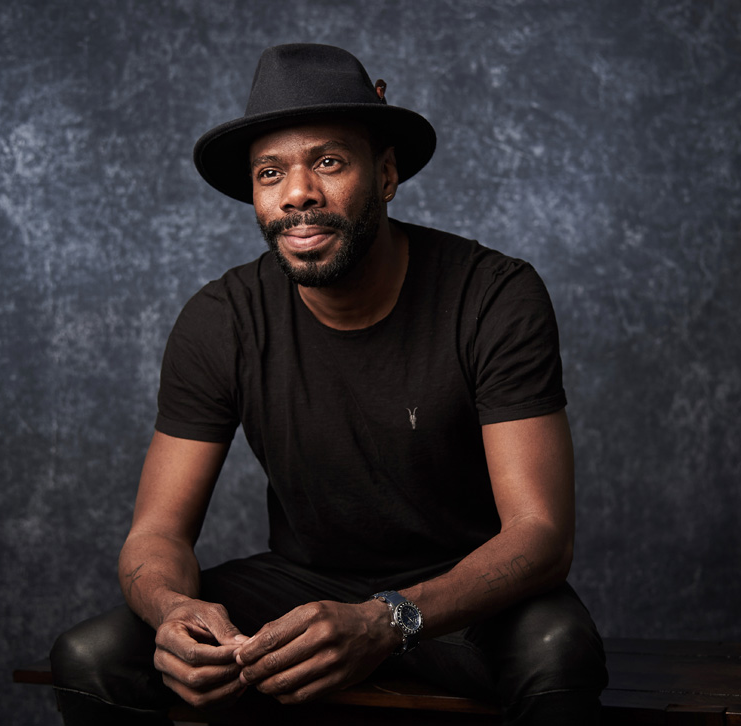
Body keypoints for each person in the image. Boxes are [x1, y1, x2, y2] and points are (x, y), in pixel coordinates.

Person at [50, 43, 607, 725]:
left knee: (560, 650)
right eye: (270, 172)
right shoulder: (220, 321)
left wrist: (386, 618)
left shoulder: (492, 296)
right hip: (304, 588)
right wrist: (175, 611)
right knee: (94, 656)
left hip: (468, 596)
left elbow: (543, 534)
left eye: (329, 162)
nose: (298, 193)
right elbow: (156, 533)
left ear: (387, 174)